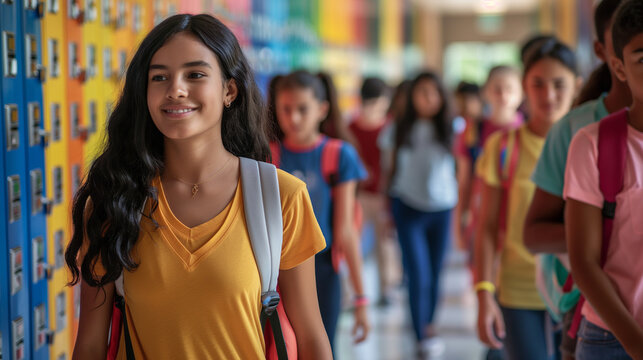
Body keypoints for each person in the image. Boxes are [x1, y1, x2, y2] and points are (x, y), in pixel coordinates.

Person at [65, 14, 332, 359]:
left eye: (195, 75)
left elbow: (310, 337)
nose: (175, 89)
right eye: (159, 77)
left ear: (229, 90)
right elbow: (89, 345)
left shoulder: (281, 197)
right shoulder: (113, 201)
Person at [523, 1, 630, 358]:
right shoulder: (578, 133)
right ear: (605, 52)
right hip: (592, 312)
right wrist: (603, 229)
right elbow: (534, 234)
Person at [474, 37, 580, 360]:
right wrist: (484, 293)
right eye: (538, 84)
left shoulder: (588, 144)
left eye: (559, 84)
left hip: (581, 291)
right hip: (518, 290)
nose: (548, 95)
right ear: (524, 86)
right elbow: (487, 226)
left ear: (577, 86)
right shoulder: (503, 147)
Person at [271, 70, 370, 352]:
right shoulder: (268, 156)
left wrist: (361, 298)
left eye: (303, 109)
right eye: (286, 109)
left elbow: (345, 231)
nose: (294, 118)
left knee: (321, 347)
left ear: (322, 109)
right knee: (282, 349)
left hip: (323, 268)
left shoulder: (338, 155)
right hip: (275, 272)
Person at [565, 1, 643, 359]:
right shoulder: (593, 144)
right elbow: (583, 261)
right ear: (619, 67)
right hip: (612, 338)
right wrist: (637, 344)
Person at [378, 71, 457, 359]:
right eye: (421, 92)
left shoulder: (452, 127)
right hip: (407, 207)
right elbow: (388, 172)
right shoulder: (398, 129)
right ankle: (420, 333)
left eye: (433, 92)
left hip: (442, 208)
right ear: (411, 96)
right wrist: (388, 212)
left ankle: (430, 325)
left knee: (436, 272)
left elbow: (462, 168)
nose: (427, 98)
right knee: (417, 273)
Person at [453, 66, 523, 258]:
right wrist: (459, 220)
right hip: (481, 216)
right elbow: (464, 180)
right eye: (497, 88)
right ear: (486, 92)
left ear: (521, 92)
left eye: (510, 89)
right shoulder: (473, 130)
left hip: (519, 221)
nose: (503, 95)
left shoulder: (529, 132)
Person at [348, 77, 401, 306]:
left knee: (384, 244)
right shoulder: (350, 128)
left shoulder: (390, 127)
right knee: (354, 244)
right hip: (357, 195)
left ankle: (385, 289)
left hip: (381, 195)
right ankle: (354, 293)